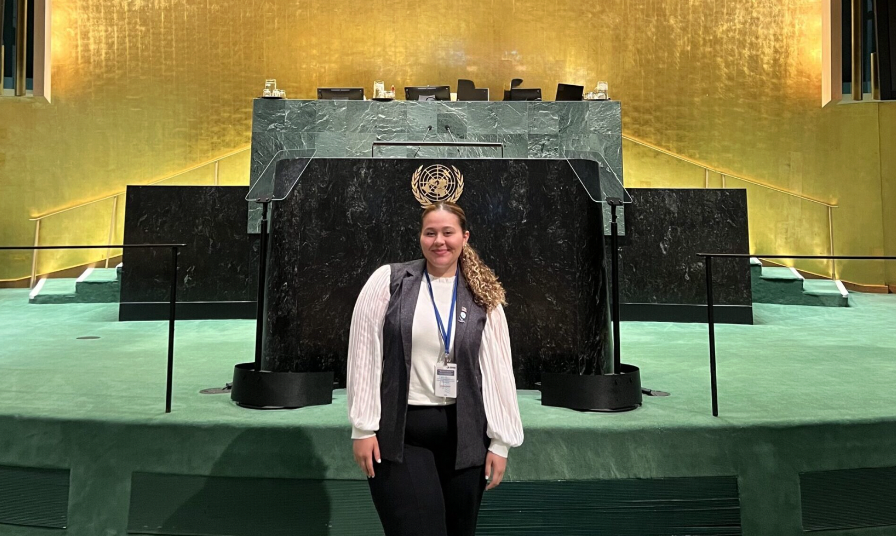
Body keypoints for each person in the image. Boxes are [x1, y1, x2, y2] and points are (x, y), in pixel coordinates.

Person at [347, 201, 524, 536]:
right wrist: (363, 428)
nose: (439, 241)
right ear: (420, 237)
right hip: (403, 435)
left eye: (448, 232)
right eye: (430, 233)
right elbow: (363, 354)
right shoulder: (389, 282)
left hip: (465, 438)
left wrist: (500, 443)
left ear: (464, 237)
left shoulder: (483, 294)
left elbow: (498, 372)